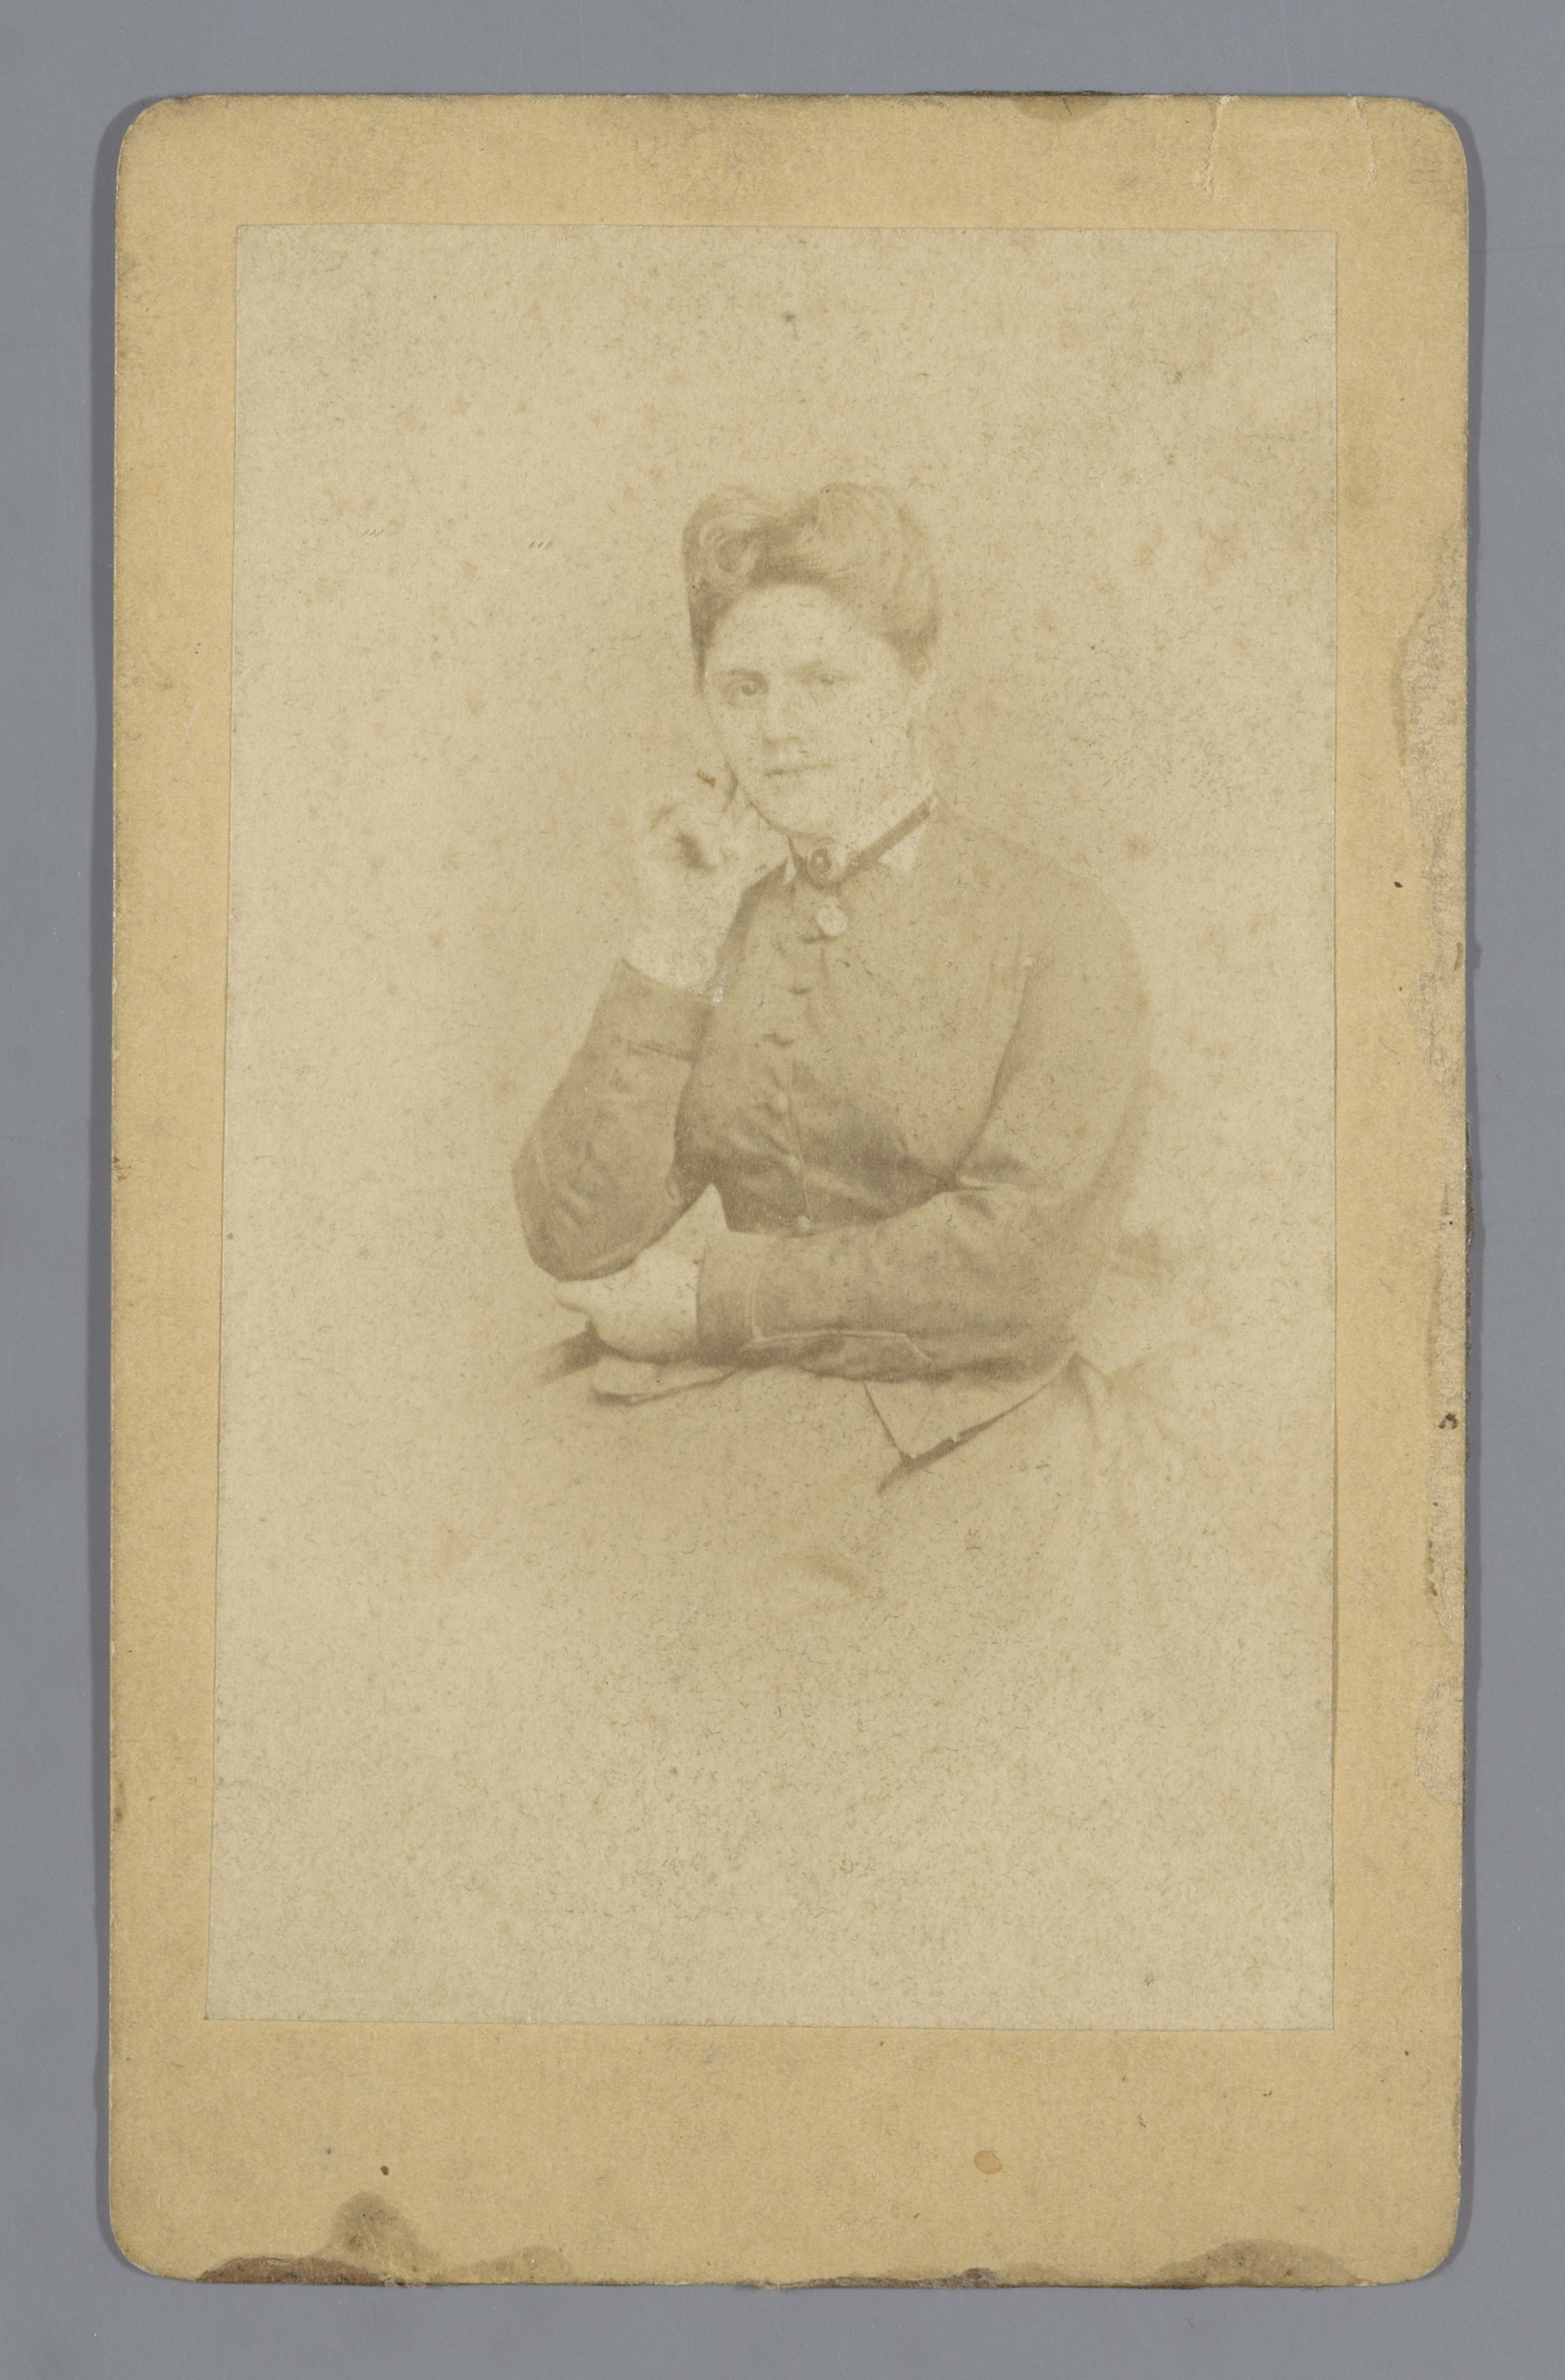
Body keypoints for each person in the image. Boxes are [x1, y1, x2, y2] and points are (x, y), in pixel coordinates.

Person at [516, 483, 1153, 1517]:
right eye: (743, 689)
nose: (779, 729)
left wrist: (710, 1300)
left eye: (824, 681)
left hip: (966, 1428)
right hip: (732, 1406)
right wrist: (675, 936)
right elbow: (571, 1235)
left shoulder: (1057, 928)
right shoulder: (725, 918)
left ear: (915, 682)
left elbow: (1019, 1272)